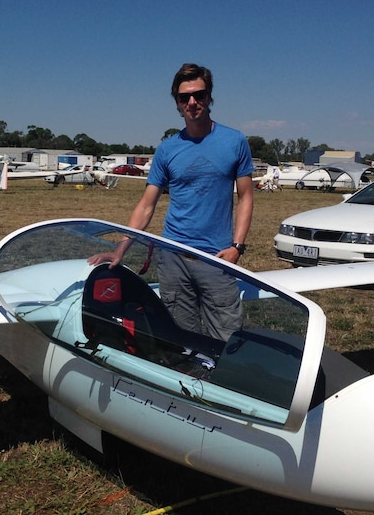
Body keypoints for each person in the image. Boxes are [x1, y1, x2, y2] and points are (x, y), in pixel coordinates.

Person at [89, 63, 254, 341]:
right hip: (173, 256)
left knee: (226, 337)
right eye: (184, 97)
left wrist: (237, 247)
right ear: (177, 103)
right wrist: (121, 249)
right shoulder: (167, 148)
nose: (192, 102)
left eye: (199, 95)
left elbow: (246, 197)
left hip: (216, 257)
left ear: (209, 96)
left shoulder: (234, 141)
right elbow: (146, 204)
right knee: (180, 338)